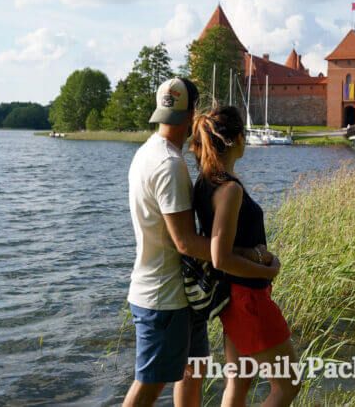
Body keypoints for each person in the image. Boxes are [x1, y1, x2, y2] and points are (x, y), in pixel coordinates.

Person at [124, 79, 280, 407]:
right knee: (149, 386)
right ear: (192, 112)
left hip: (181, 297)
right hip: (162, 297)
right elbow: (184, 242)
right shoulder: (168, 164)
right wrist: (252, 258)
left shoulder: (149, 153)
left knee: (192, 374)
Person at [191, 106, 300, 407]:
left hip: (232, 299)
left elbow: (220, 245)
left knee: (238, 385)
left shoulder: (206, 182)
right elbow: (220, 257)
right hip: (248, 299)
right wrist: (268, 271)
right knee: (288, 385)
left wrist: (255, 254)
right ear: (238, 138)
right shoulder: (229, 189)